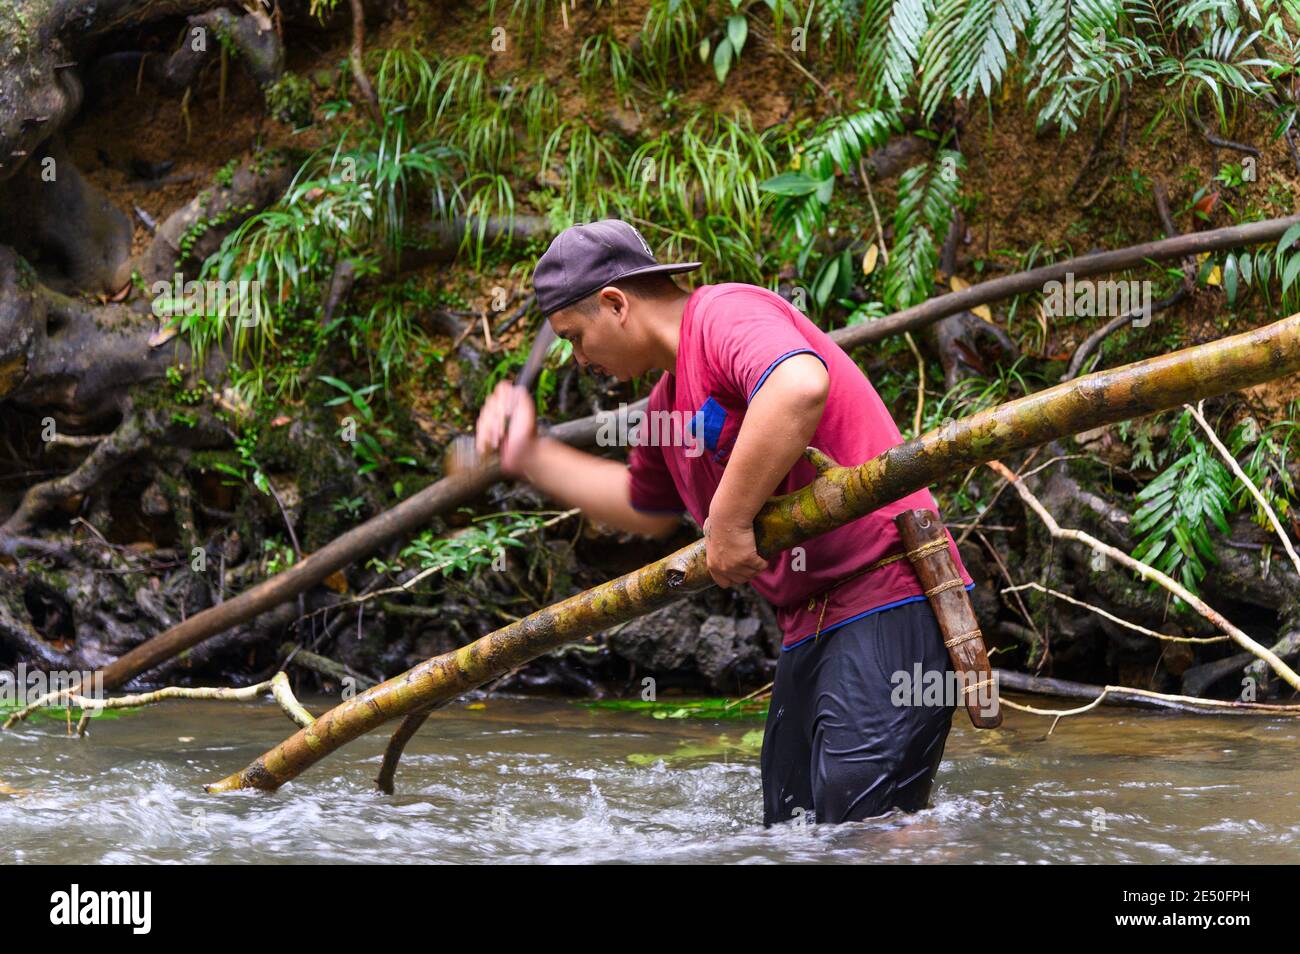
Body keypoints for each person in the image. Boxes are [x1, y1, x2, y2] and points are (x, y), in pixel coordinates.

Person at [475, 219, 974, 826]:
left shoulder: (724, 314)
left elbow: (796, 384)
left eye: (576, 338)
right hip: (807, 624)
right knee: (792, 824)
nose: (579, 359)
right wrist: (530, 456)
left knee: (864, 826)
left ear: (615, 303)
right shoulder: (665, 401)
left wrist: (729, 522)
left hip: (885, 592)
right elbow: (643, 509)